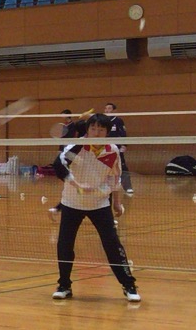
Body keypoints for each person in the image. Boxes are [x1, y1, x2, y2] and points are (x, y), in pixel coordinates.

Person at [53, 114, 139, 302]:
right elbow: (58, 167)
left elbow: (114, 177)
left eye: (101, 130)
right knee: (65, 245)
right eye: (93, 128)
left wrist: (116, 201)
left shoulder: (111, 150)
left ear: (107, 132)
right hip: (71, 202)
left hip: (99, 204)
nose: (96, 132)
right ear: (88, 129)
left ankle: (129, 285)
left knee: (112, 244)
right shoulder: (75, 147)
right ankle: (64, 285)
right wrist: (77, 185)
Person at [102, 102, 132, 195]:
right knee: (103, 167)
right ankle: (104, 187)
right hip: (104, 148)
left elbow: (123, 133)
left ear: (114, 110)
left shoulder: (118, 121)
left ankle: (128, 187)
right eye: (106, 108)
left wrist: (124, 145)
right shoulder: (102, 121)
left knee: (122, 167)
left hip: (117, 149)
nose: (107, 110)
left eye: (109, 108)